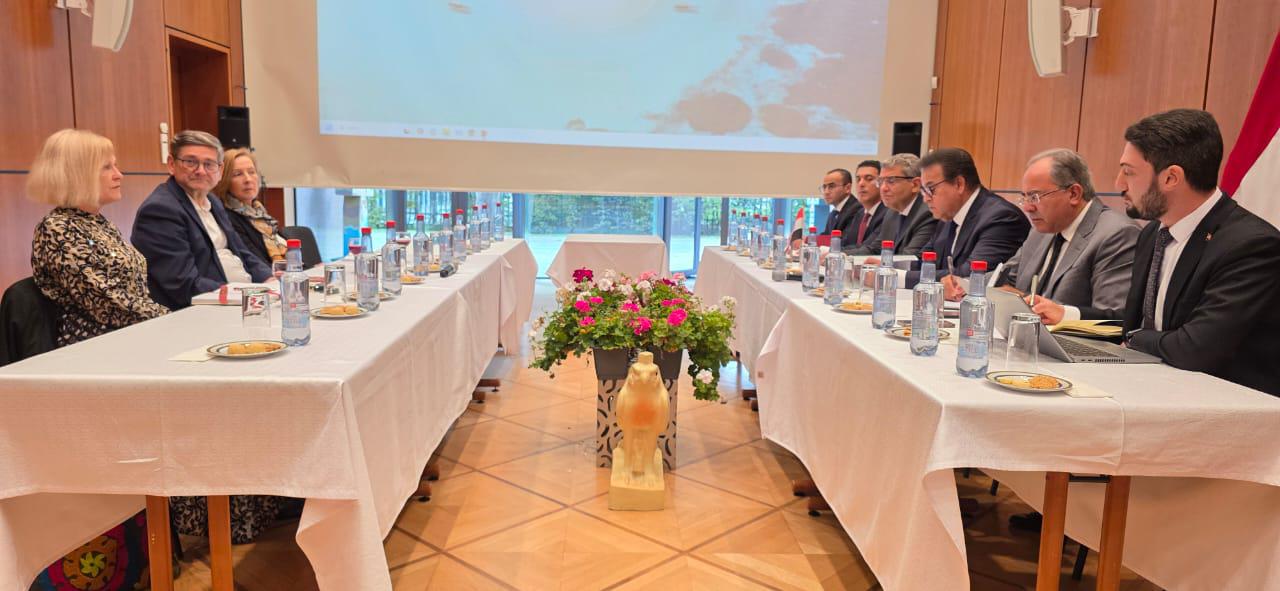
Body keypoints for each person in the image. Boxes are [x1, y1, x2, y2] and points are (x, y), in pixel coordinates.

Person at [25, 128, 166, 590]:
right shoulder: (59, 229)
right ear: (78, 172)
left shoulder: (97, 223)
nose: (118, 174)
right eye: (107, 166)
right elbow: (111, 304)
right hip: (96, 359)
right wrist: (175, 323)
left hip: (126, 347)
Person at [1115, 109, 1280, 397]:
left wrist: (1134, 338)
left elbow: (1195, 347)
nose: (1119, 184)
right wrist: (1065, 317)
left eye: (1129, 172)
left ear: (1171, 178)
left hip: (1228, 405)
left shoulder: (1251, 245)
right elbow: (1141, 322)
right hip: (1156, 387)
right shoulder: (1153, 233)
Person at [131, 130, 272, 310]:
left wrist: (270, 280)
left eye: (209, 164)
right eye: (190, 162)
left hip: (240, 301)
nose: (200, 171)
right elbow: (183, 284)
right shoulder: (160, 210)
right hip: (202, 310)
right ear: (172, 164)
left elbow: (242, 252)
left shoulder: (212, 201)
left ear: (220, 170)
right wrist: (244, 295)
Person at [998, 149, 1139, 322]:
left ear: (1074, 194)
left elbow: (1111, 320)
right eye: (1025, 197)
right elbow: (1004, 280)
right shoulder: (1040, 230)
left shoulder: (1116, 234)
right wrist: (971, 283)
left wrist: (1041, 307)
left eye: (1035, 197)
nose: (1027, 207)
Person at [908, 147, 1031, 297]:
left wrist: (899, 278)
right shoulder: (949, 213)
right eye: (923, 190)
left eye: (930, 189)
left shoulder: (1001, 217)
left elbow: (970, 275)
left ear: (959, 184)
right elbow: (924, 260)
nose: (926, 198)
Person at [212, 147, 285, 267]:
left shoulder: (260, 214)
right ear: (225, 181)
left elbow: (294, 255)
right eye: (238, 174)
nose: (248, 179)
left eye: (251, 172)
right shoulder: (227, 218)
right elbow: (255, 263)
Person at [852, 153, 936, 256]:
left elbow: (911, 258)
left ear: (915, 185)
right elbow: (875, 249)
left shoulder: (928, 213)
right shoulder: (892, 212)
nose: (883, 188)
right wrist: (842, 255)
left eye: (891, 181)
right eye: (881, 181)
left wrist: (880, 262)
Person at [840, 160, 888, 253]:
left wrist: (836, 253)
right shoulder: (859, 213)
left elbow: (870, 248)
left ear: (881, 183)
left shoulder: (888, 213)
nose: (861, 184)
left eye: (869, 179)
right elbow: (847, 244)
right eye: (858, 179)